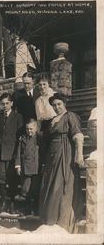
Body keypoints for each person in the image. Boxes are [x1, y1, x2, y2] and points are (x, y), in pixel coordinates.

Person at [39, 93, 84, 233]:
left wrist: (79, 154)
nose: (57, 107)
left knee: (61, 186)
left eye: (59, 104)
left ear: (64, 104)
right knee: (50, 185)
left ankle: (62, 223)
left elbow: (78, 135)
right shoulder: (52, 120)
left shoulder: (70, 116)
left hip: (65, 155)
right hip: (51, 157)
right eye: (54, 105)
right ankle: (50, 221)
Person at [0, 93, 23, 214]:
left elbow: (20, 136)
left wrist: (18, 156)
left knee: (12, 180)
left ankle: (12, 203)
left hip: (13, 154)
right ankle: (3, 202)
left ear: (11, 103)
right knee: (1, 179)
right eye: (3, 103)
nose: (5, 106)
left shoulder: (18, 117)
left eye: (7, 103)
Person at [15, 119, 42, 215]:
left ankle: (36, 210)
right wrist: (18, 166)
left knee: (35, 190)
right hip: (25, 168)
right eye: (27, 129)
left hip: (36, 168)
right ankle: (27, 210)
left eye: (31, 129)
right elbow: (18, 152)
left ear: (36, 128)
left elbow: (42, 153)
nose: (29, 131)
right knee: (25, 190)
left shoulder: (39, 138)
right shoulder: (23, 139)